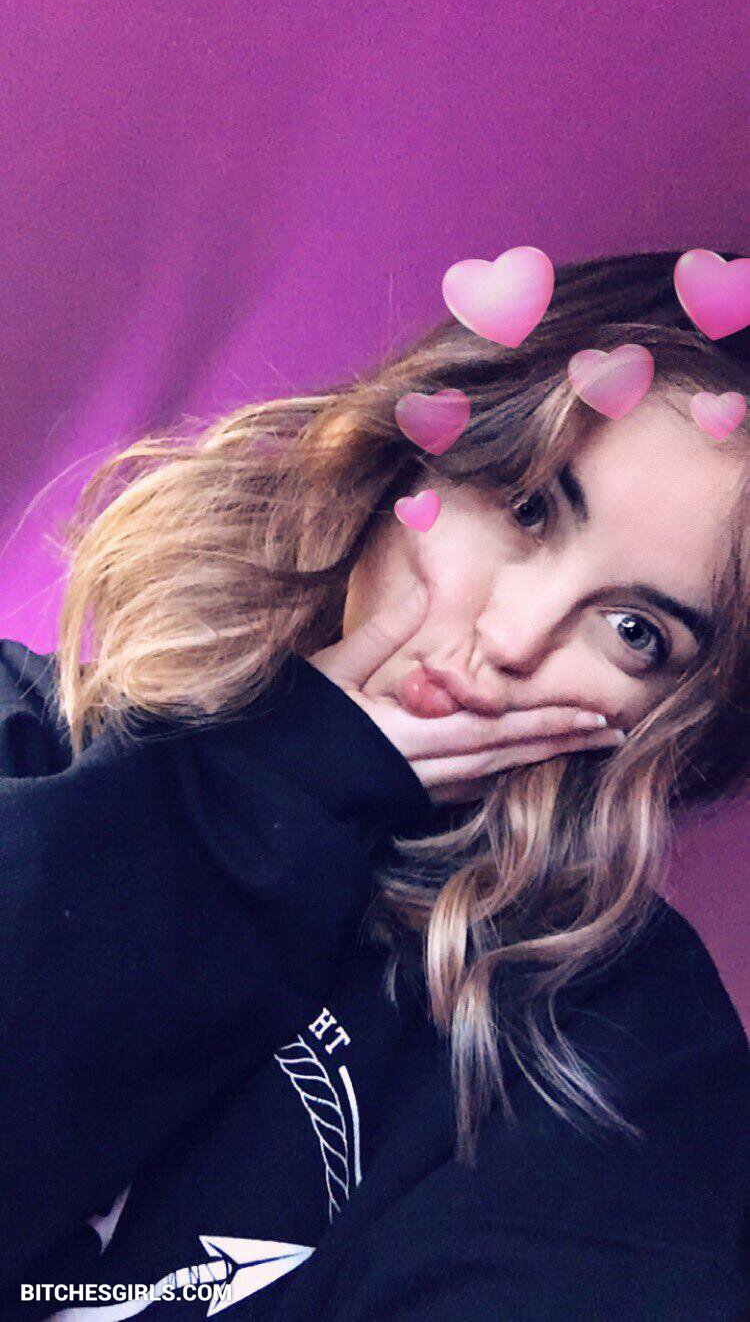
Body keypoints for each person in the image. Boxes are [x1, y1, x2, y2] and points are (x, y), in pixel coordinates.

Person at [1, 248, 748, 1320]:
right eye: (528, 505)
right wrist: (271, 786)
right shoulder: (28, 729)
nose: (512, 638)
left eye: (636, 632)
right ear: (408, 462)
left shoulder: (624, 1037)